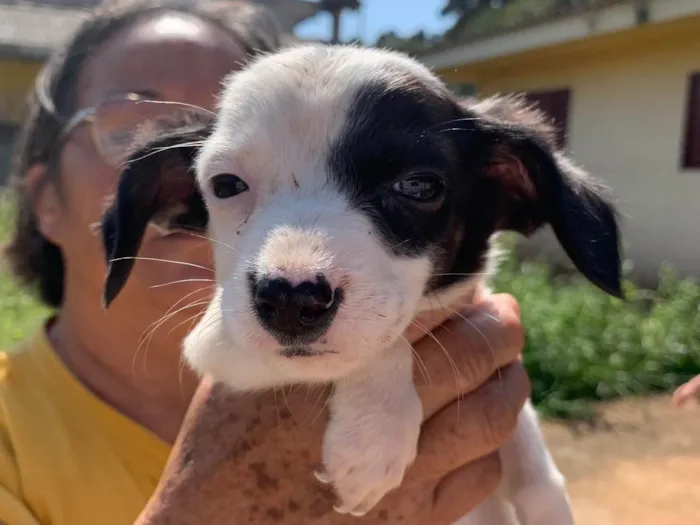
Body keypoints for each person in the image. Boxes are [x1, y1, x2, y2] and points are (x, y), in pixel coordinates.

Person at [0, 1, 529, 524]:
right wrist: (204, 510)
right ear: (45, 197)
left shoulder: (439, 376)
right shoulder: (12, 440)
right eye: (127, 123)